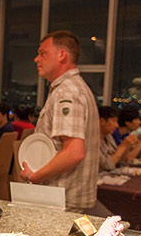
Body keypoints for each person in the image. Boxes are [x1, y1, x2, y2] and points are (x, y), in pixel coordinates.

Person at [19, 31, 100, 214]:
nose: (36, 59)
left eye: (42, 53)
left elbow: (74, 152)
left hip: (61, 198)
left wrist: (34, 176)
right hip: (69, 196)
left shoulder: (67, 92)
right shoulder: (77, 87)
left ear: (62, 55)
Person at [98, 106, 140, 171]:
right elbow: (107, 166)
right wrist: (123, 146)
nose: (116, 125)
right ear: (102, 121)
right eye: (114, 121)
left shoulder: (108, 137)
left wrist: (127, 146)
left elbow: (121, 161)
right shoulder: (92, 141)